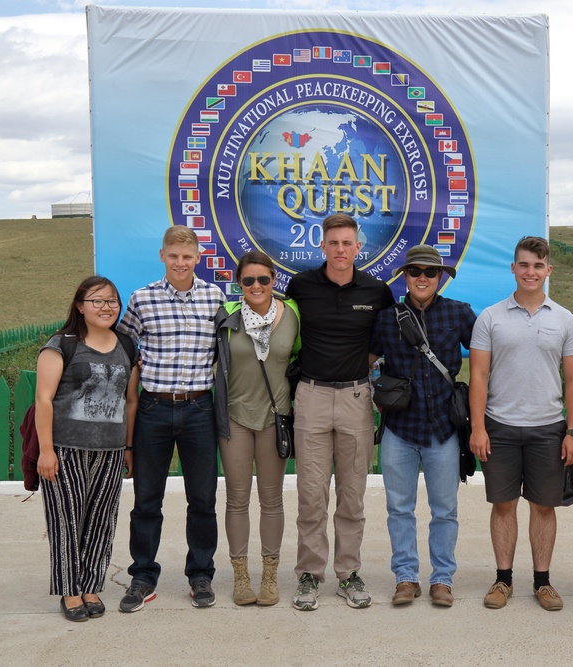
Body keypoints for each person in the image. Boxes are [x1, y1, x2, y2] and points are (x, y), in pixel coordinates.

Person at [469, 235, 573, 612]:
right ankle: (503, 580)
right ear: (513, 268)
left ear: (548, 270)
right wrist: (478, 427)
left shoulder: (565, 320)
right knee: (503, 505)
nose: (530, 272)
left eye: (538, 266)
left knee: (543, 507)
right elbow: (479, 377)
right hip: (499, 427)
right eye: (524, 265)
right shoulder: (491, 317)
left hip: (549, 428)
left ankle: (543, 582)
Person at [285, 213, 394, 611]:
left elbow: (382, 341)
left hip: (355, 399)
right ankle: (310, 574)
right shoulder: (301, 285)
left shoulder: (377, 290)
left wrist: (359, 370)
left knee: (352, 495)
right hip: (311, 397)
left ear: (358, 247)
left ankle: (348, 574)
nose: (341, 250)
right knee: (312, 495)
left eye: (348, 243)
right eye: (333, 243)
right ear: (322, 246)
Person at [117, 225, 226, 612]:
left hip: (199, 408)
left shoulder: (215, 297)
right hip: (153, 409)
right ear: (162, 256)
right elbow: (123, 347)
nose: (181, 263)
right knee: (147, 499)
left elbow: (224, 350)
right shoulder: (142, 299)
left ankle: (200, 574)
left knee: (203, 498)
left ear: (198, 258)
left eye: (188, 256)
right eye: (173, 256)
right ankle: (142, 577)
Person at [369, 245, 477, 608]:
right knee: (399, 508)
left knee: (444, 509)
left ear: (440, 277)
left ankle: (442, 579)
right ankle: (406, 577)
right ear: (405, 276)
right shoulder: (386, 318)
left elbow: (484, 357)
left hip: (443, 428)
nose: (423, 278)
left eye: (430, 273)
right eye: (415, 271)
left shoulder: (460, 314)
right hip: (399, 427)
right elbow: (365, 360)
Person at [35, 275, 140, 622]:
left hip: (110, 451)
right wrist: (46, 451)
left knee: (100, 520)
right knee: (66, 521)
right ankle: (70, 591)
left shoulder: (126, 344)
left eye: (112, 301)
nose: (106, 307)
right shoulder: (61, 344)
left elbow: (130, 400)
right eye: (97, 301)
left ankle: (91, 584)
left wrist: (128, 447)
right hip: (66, 449)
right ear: (80, 306)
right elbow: (44, 400)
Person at [213, 251, 300, 607]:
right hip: (235, 418)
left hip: (274, 419)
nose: (256, 286)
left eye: (263, 279)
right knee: (236, 500)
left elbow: (302, 357)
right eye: (248, 280)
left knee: (271, 499)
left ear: (274, 280)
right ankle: (241, 576)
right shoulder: (226, 317)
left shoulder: (293, 315)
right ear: (239, 283)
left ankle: (269, 574)